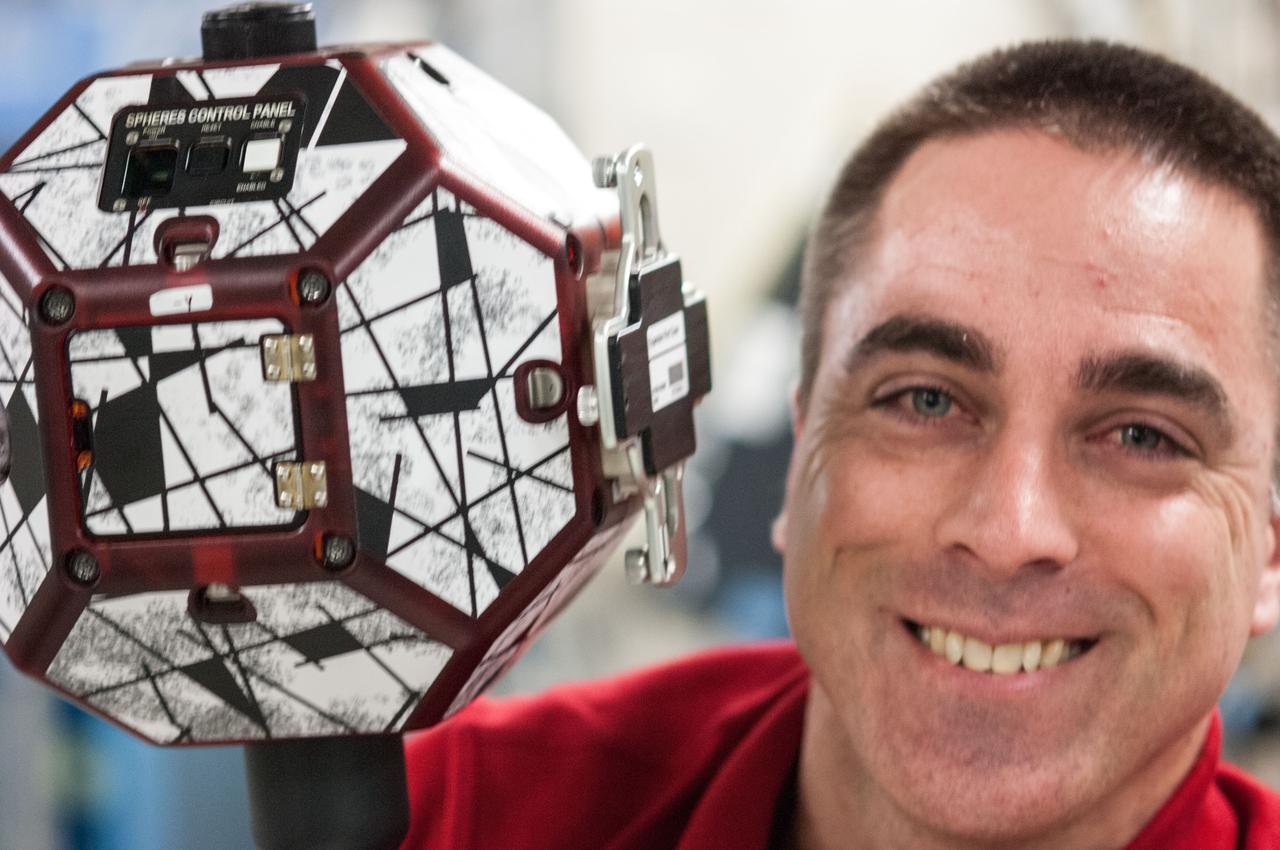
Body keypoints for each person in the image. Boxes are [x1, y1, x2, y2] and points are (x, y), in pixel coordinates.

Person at [400, 40, 1280, 849]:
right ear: (798, 463)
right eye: (926, 401)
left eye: (1142, 436)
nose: (1009, 532)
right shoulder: (460, 816)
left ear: (1271, 552)